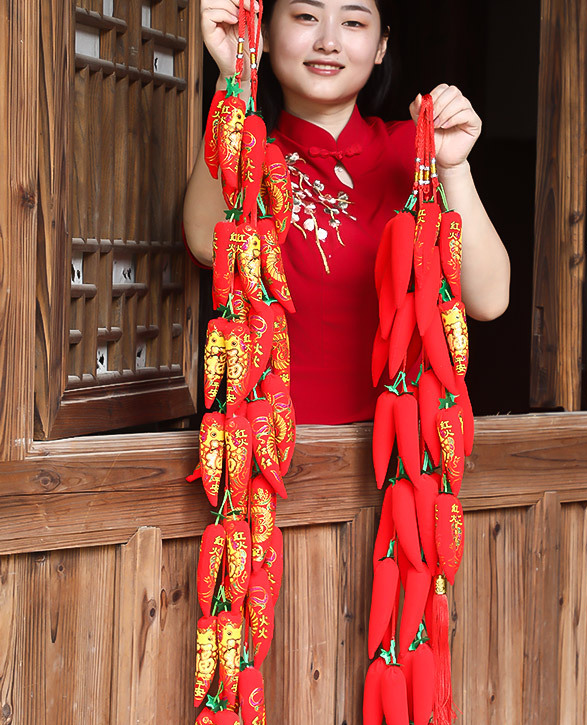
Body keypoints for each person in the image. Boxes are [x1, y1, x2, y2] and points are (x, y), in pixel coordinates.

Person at [184, 0, 510, 424]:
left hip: (404, 452)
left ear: (381, 46)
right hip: (273, 445)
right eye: (306, 16)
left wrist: (454, 167)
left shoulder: (415, 152)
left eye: (353, 22)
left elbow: (489, 300)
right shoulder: (254, 154)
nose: (329, 41)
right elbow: (206, 245)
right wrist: (234, 79)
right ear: (263, 34)